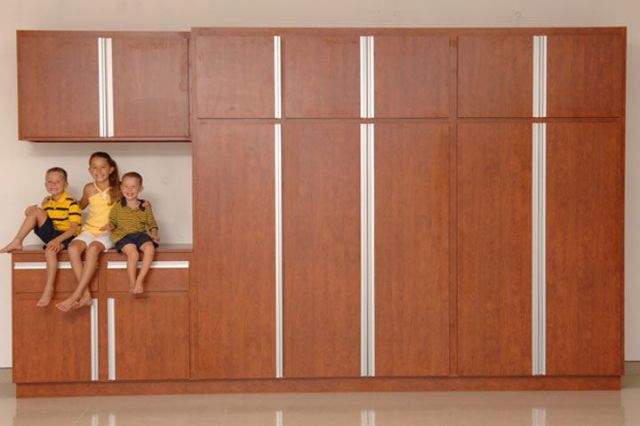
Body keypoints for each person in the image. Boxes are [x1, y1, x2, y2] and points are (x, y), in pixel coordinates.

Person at [0, 167, 81, 307]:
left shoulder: (72, 202)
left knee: (50, 250)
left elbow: (74, 228)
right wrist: (28, 212)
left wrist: (57, 240)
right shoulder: (47, 203)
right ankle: (17, 241)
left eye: (57, 182)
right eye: (50, 182)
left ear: (66, 184)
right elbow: (38, 219)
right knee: (34, 211)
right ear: (45, 184)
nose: (53, 185)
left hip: (67, 236)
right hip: (53, 233)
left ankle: (48, 288)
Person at [56, 152, 120, 312]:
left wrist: (144, 204)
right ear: (90, 170)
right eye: (95, 167)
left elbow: (129, 209)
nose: (99, 171)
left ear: (111, 169)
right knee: (72, 248)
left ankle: (75, 295)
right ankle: (86, 294)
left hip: (108, 233)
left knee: (92, 249)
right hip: (90, 230)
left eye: (103, 167)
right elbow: (78, 206)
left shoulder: (119, 188)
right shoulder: (89, 188)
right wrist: (55, 198)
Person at [109, 172, 159, 294]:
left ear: (140, 189)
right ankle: (132, 282)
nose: (129, 190)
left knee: (150, 248)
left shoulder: (145, 206)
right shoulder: (117, 206)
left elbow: (152, 223)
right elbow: (113, 222)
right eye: (126, 186)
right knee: (133, 253)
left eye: (133, 187)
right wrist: (109, 226)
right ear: (121, 187)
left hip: (140, 234)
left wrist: (154, 234)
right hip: (123, 236)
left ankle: (140, 280)